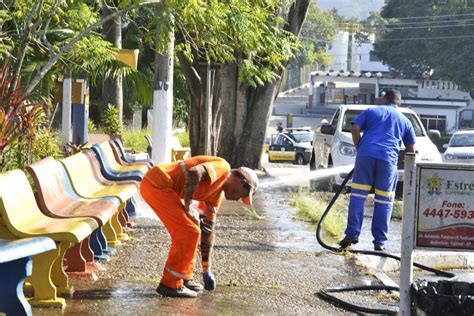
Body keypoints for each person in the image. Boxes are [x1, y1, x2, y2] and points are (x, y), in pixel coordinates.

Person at [140, 155, 259, 298]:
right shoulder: (223, 167)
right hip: (157, 183)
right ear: (242, 181)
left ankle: (185, 277)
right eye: (243, 194)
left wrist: (206, 269)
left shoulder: (215, 195)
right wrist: (189, 205)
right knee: (188, 232)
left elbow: (208, 231)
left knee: (195, 228)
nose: (239, 199)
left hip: (162, 187)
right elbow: (195, 172)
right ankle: (170, 284)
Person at [339, 89, 416, 251]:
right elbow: (411, 150)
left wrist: (360, 148)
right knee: (384, 201)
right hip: (388, 161)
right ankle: (379, 242)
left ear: (384, 99)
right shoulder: (405, 121)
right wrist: (400, 158)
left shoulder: (371, 111)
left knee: (358, 197)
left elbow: (354, 129)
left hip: (365, 157)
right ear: (399, 102)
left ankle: (352, 234)